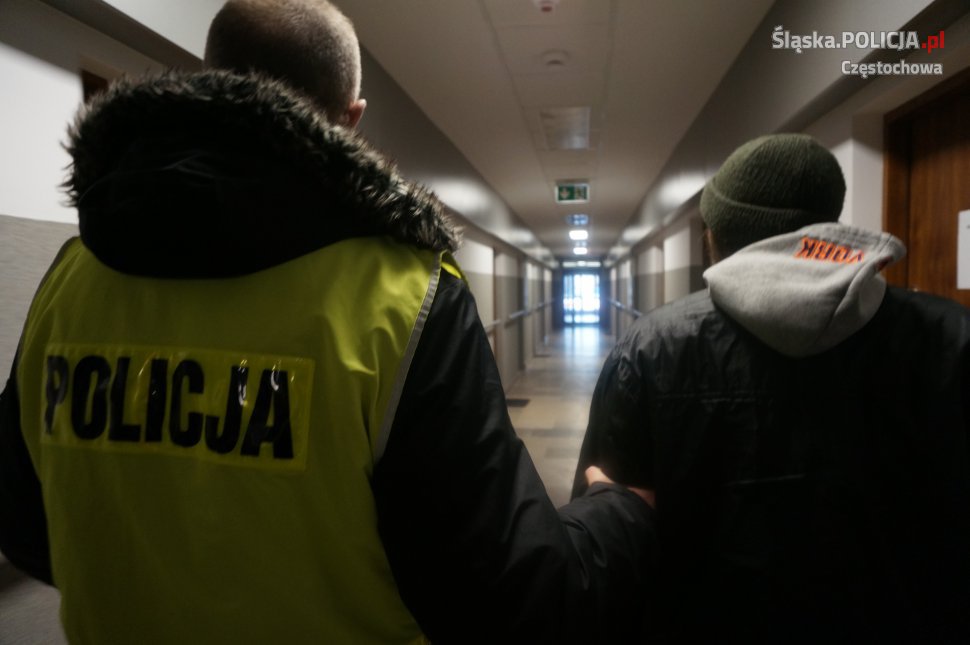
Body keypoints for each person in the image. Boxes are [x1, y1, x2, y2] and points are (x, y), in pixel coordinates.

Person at [0, 1, 657, 643]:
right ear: (351, 118)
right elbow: (506, 598)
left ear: (209, 79)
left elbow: (27, 525)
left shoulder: (71, 277)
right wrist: (619, 510)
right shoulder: (405, 293)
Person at [573, 133, 970, 644]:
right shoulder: (950, 336)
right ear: (827, 223)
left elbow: (608, 550)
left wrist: (606, 506)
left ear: (715, 235)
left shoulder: (652, 348)